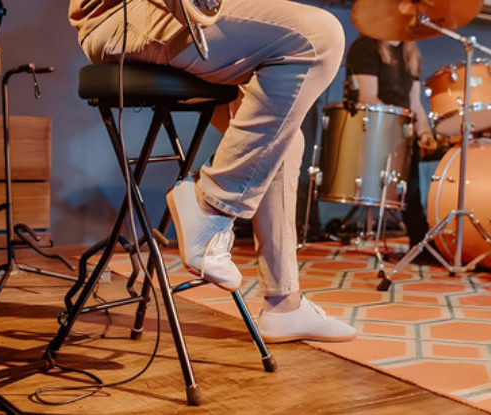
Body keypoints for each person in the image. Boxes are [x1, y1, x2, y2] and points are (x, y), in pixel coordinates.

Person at [69, 0, 356, 343]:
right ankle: (211, 209)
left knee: (285, 139)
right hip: (124, 14)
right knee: (318, 35)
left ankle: (284, 305)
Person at [345, 35, 438, 248]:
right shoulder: (365, 46)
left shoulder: (411, 51)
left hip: (404, 126)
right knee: (409, 184)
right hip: (379, 126)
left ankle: (422, 237)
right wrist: (401, 125)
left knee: (417, 179)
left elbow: (415, 103)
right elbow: (368, 97)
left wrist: (424, 133)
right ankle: (420, 238)